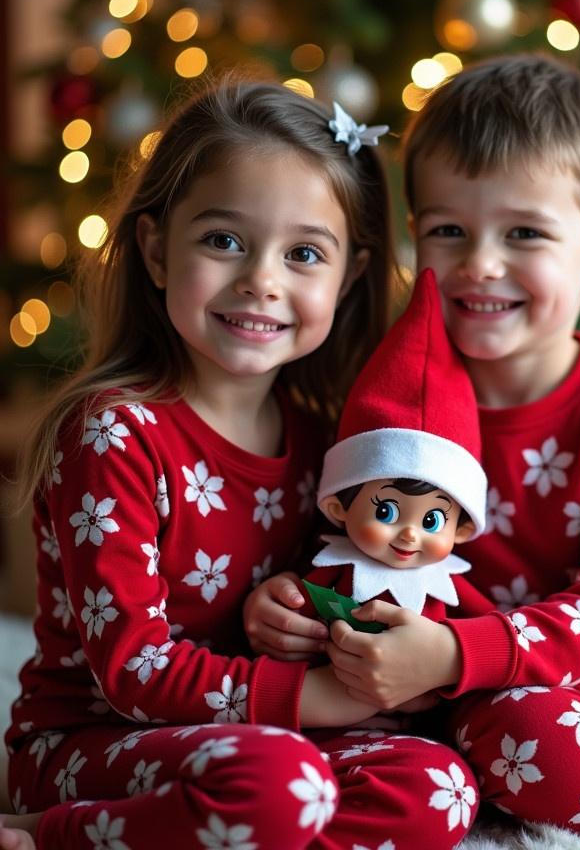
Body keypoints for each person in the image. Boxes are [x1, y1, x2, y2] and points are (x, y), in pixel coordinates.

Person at [246, 55, 580, 837]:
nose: (480, 263)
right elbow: (324, 537)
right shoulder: (380, 395)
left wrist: (459, 651)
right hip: (443, 702)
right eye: (448, 230)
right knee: (558, 767)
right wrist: (283, 607)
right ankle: (566, 772)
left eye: (524, 232)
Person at [0, 81, 480, 850]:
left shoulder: (328, 441)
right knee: (278, 785)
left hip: (262, 734)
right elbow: (134, 672)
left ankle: (216, 834)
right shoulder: (113, 434)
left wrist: (297, 611)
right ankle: (55, 833)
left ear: (349, 276)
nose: (262, 279)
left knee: (440, 787)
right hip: (89, 743)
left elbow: (323, 583)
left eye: (303, 254)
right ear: (157, 251)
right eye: (223, 240)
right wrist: (328, 699)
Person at [246, 267, 494, 637]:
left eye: (432, 522)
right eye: (386, 510)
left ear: (462, 529)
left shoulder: (447, 586)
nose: (409, 535)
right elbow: (294, 610)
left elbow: (492, 628)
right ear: (338, 507)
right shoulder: (334, 570)